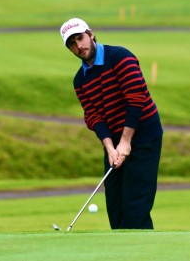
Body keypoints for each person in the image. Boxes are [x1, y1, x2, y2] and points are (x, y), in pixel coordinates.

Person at [60, 18, 163, 230]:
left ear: (91, 34)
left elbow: (136, 98)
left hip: (144, 135)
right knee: (115, 206)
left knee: (135, 206)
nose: (79, 46)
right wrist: (110, 147)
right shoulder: (80, 80)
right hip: (114, 141)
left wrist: (126, 141)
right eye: (72, 43)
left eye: (80, 38)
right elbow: (93, 116)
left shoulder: (120, 57)